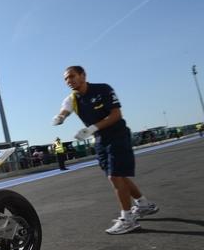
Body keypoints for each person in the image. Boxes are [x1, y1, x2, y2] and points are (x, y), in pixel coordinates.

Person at [52, 66, 158, 235]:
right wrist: (60, 117)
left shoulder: (103, 89)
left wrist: (92, 128)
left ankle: (128, 220)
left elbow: (116, 114)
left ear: (83, 75)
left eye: (72, 76)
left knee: (115, 176)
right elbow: (65, 110)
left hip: (117, 134)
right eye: (66, 78)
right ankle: (143, 204)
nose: (69, 81)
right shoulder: (72, 99)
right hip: (100, 140)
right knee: (117, 175)